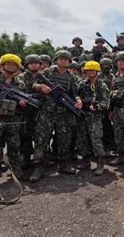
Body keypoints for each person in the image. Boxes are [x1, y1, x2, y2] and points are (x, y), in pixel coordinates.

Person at [30, 50, 83, 182]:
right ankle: (38, 167)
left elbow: (74, 93)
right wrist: (40, 86)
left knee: (64, 139)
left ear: (69, 62)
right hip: (46, 112)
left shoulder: (70, 77)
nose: (63, 60)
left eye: (66, 59)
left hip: (62, 113)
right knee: (41, 139)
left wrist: (78, 100)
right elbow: (33, 84)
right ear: (56, 60)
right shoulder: (47, 72)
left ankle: (63, 164)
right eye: (60, 58)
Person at [0, 54, 27, 179]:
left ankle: (16, 171)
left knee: (14, 146)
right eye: (9, 64)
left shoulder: (20, 83)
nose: (11, 66)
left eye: (14, 65)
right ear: (2, 65)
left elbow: (24, 98)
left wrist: (22, 103)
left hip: (13, 119)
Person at [77, 61, 110, 175]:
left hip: (95, 116)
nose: (90, 72)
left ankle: (100, 163)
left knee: (96, 139)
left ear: (97, 71)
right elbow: (77, 95)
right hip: (83, 115)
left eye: (93, 70)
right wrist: (79, 100)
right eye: (88, 70)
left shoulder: (102, 85)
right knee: (83, 138)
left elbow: (106, 102)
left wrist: (96, 106)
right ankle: (86, 160)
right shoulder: (82, 84)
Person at [18, 54, 44, 171]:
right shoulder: (20, 77)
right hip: (25, 111)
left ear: (40, 64)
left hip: (42, 111)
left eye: (36, 63)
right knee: (26, 136)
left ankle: (39, 163)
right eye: (31, 63)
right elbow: (17, 92)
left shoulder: (45, 77)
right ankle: (26, 159)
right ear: (27, 65)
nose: (33, 65)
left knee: (40, 137)